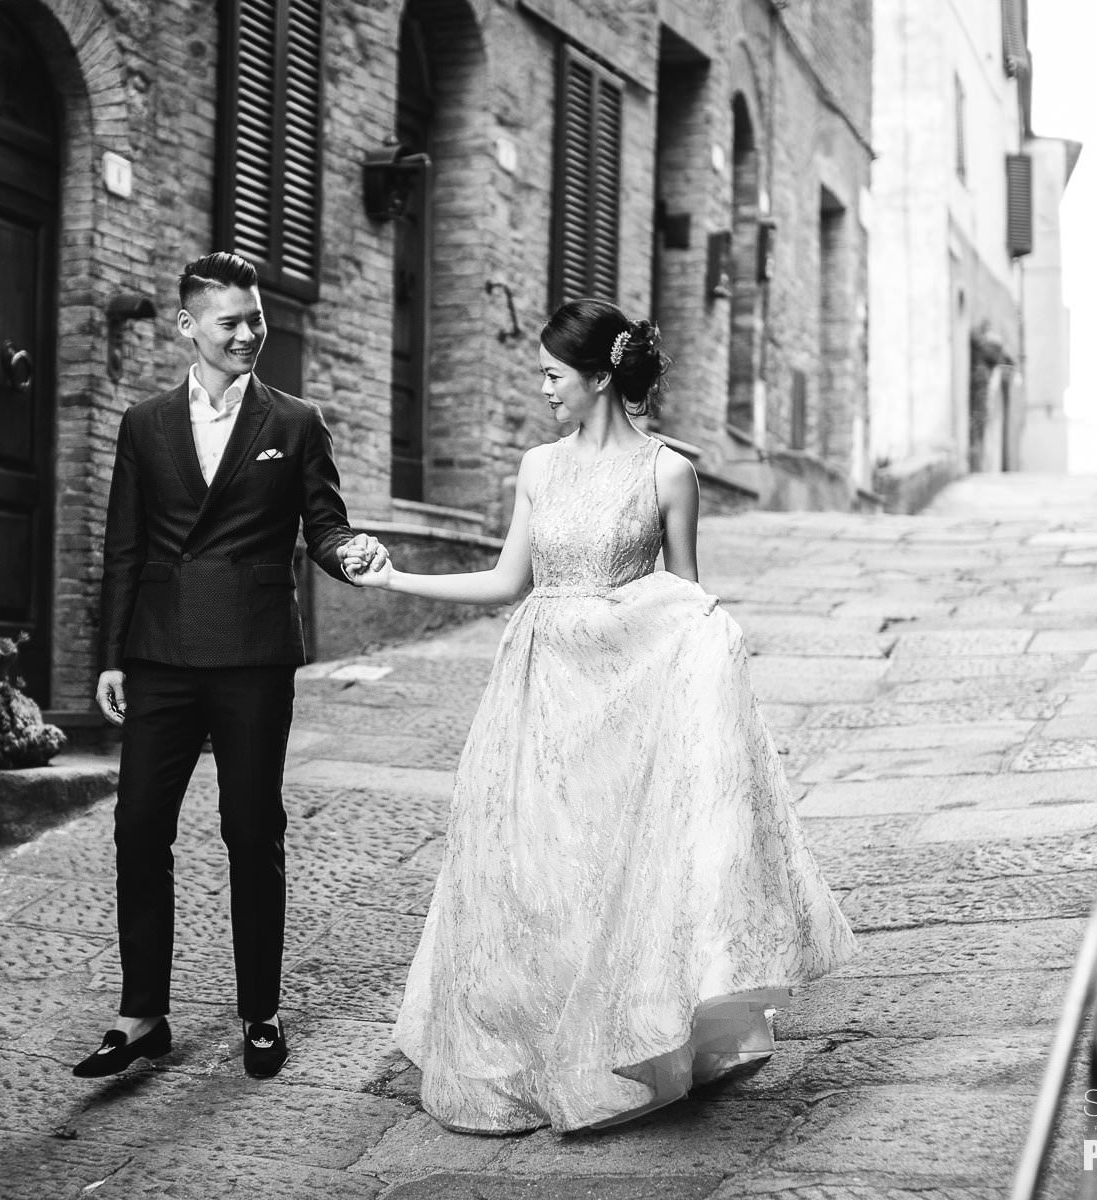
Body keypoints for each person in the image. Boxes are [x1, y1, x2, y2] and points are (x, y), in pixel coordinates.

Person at [347, 299, 858, 1133]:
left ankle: (622, 1040)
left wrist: (714, 677)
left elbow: (685, 601)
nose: (544, 388)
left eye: (553, 375)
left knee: (616, 864)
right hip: (537, 687)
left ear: (598, 378)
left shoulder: (668, 474)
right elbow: (507, 581)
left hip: (626, 696)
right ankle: (526, 1041)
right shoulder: (538, 468)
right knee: (529, 863)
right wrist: (393, 579)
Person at [74, 251, 383, 1080]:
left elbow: (323, 524)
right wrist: (111, 658)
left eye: (256, 320)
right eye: (231, 322)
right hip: (160, 653)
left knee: (251, 830)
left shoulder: (296, 422)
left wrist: (349, 553)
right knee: (139, 826)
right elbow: (124, 546)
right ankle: (142, 1014)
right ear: (188, 326)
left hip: (252, 654)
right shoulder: (144, 423)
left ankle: (260, 1011)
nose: (248, 334)